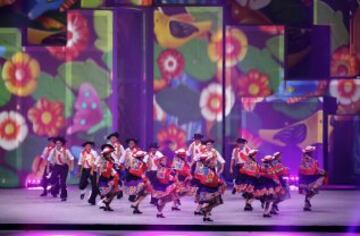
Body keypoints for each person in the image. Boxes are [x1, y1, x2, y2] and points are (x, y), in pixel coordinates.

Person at [197, 154, 226, 222]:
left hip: (213, 188)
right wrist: (218, 182)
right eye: (212, 162)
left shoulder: (212, 169)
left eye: (214, 162)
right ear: (209, 163)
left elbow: (214, 179)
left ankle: (206, 215)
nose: (214, 163)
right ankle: (204, 210)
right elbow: (208, 180)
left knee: (216, 202)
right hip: (207, 188)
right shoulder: (206, 169)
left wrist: (219, 182)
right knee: (213, 201)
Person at [299, 145, 327, 211]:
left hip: (308, 176)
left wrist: (318, 170)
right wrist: (319, 171)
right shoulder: (307, 158)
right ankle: (311, 194)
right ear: (310, 152)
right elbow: (308, 168)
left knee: (309, 191)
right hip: (308, 177)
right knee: (321, 179)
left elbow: (313, 167)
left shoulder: (308, 158)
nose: (313, 152)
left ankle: (307, 204)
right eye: (312, 151)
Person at [48, 136, 74, 201]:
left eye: (59, 143)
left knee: (63, 182)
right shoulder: (53, 151)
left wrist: (71, 167)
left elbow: (72, 159)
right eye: (56, 143)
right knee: (52, 179)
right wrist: (48, 168)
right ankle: (54, 187)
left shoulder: (66, 150)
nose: (58, 144)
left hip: (64, 167)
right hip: (57, 166)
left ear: (62, 144)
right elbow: (49, 159)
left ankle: (64, 196)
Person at [123, 150, 149, 214]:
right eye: (143, 156)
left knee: (143, 192)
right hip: (132, 181)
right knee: (145, 190)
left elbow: (144, 169)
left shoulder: (138, 162)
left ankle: (136, 207)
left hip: (134, 180)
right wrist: (144, 179)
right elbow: (136, 172)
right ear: (141, 157)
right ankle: (135, 204)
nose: (144, 157)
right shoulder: (138, 162)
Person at [97, 144, 120, 211]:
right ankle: (104, 202)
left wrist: (116, 165)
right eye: (108, 153)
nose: (109, 154)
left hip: (111, 177)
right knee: (105, 193)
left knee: (115, 191)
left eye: (110, 153)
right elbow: (100, 169)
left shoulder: (112, 159)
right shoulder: (102, 159)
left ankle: (106, 203)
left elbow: (117, 165)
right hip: (104, 178)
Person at [78, 141, 100, 205]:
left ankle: (92, 200)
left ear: (91, 147)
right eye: (86, 146)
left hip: (92, 170)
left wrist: (98, 171)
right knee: (81, 185)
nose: (88, 147)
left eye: (89, 146)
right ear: (85, 147)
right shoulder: (82, 153)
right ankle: (85, 185)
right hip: (85, 169)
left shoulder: (94, 153)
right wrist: (79, 172)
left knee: (94, 186)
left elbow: (97, 161)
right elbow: (79, 163)